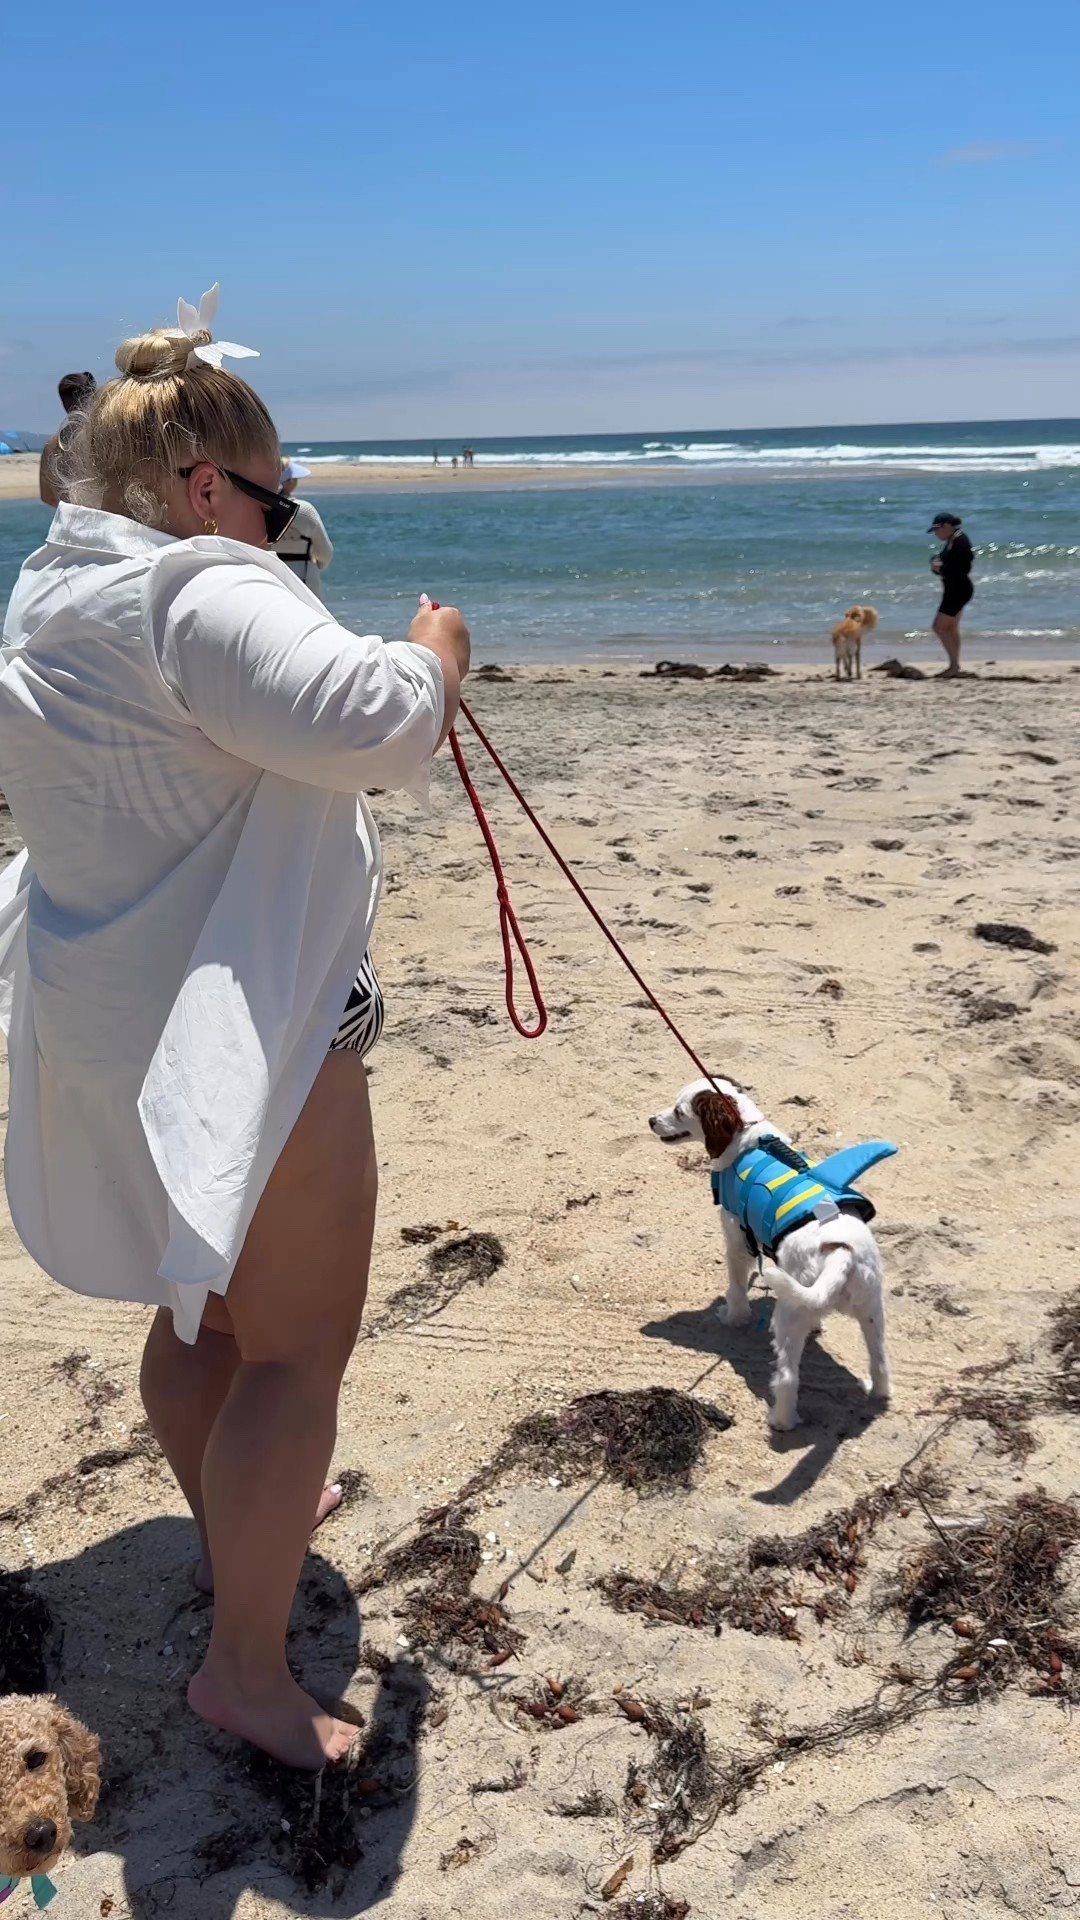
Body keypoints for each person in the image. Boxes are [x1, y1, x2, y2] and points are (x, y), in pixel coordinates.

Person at [0, 295, 471, 1769]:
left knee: (197, 1309)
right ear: (207, 490)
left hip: (104, 1014)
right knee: (294, 1354)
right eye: (278, 496)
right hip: (238, 1034)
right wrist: (438, 651)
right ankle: (249, 1673)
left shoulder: (50, 594)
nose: (287, 521)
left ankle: (237, 1528)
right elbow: (375, 721)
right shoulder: (198, 590)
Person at [270, 458, 334, 603]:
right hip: (304, 579)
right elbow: (325, 554)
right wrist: (316, 564)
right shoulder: (305, 511)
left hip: (271, 579)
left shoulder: (259, 509)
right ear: (290, 482)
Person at [38, 372, 96, 506]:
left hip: (67, 517)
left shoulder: (51, 446)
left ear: (64, 402)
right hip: (99, 517)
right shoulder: (104, 438)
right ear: (93, 397)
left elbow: (47, 497)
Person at [928, 512, 974, 677]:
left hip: (957, 590)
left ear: (946, 526)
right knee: (951, 628)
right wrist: (937, 565)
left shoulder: (960, 541)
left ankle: (954, 665)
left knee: (939, 627)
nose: (936, 533)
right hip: (955, 589)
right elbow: (948, 563)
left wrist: (941, 568)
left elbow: (964, 566)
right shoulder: (952, 539)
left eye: (937, 529)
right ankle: (954, 664)